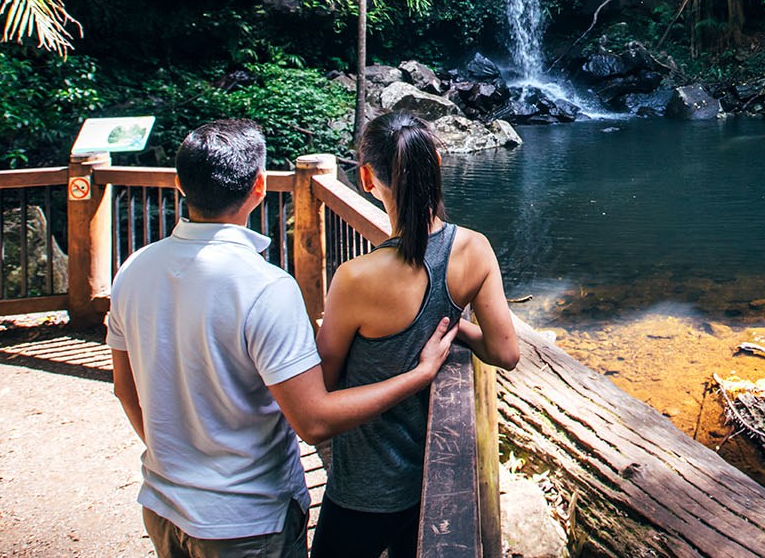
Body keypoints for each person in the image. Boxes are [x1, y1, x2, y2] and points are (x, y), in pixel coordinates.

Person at [107, 119, 457, 558]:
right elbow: (313, 422)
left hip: (163, 507)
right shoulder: (266, 287)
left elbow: (125, 388)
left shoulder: (134, 269)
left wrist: (176, 462)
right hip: (248, 519)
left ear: (180, 185)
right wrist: (421, 373)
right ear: (259, 186)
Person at [312, 111, 520, 558]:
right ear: (438, 162)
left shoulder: (354, 278)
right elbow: (505, 352)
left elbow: (323, 387)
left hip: (363, 486)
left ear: (367, 177)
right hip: (434, 478)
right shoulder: (474, 248)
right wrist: (447, 319)